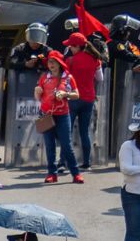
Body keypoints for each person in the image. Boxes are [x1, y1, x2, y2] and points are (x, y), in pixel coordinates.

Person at [36, 51, 82, 184]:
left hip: (62, 115)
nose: (51, 64)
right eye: (49, 62)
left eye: (54, 62)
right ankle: (52, 174)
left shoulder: (68, 77)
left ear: (60, 64)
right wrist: (37, 92)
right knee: (50, 146)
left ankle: (76, 173)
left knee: (66, 145)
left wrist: (65, 94)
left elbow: (77, 95)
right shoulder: (44, 77)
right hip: (46, 115)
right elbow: (38, 97)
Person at [61, 33, 101, 170]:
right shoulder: (95, 59)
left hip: (73, 98)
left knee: (67, 131)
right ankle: (86, 163)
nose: (70, 48)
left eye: (71, 46)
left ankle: (63, 162)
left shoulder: (70, 60)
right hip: (89, 99)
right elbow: (100, 78)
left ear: (78, 46)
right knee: (85, 132)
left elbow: (64, 78)